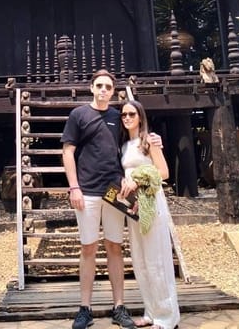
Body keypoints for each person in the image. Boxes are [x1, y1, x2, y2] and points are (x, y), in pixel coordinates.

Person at [61, 69, 137, 329]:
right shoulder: (79, 115)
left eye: (108, 87)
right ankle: (85, 308)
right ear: (92, 88)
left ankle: (119, 306)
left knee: (115, 247)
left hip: (114, 190)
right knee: (88, 248)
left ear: (113, 91)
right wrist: (74, 188)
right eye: (100, 86)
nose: (104, 90)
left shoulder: (119, 116)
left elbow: (131, 148)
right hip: (87, 190)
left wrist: (153, 141)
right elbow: (68, 152)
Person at [119, 99, 180, 329]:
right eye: (124, 114)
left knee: (157, 260)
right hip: (133, 206)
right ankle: (151, 311)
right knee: (140, 260)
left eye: (131, 114)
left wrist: (137, 179)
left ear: (140, 117)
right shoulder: (124, 146)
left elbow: (163, 172)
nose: (127, 118)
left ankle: (167, 317)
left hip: (151, 201)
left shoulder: (149, 141)